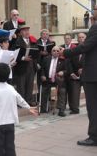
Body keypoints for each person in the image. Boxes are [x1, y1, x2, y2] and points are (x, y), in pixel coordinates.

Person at [63, 11, 97, 146]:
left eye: (95, 8)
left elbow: (86, 46)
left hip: (93, 74)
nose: (93, 11)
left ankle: (94, 137)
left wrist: (65, 52)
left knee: (93, 107)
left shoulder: (95, 27)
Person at [14, 26, 38, 105]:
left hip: (31, 66)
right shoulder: (17, 42)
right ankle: (21, 102)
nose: (27, 32)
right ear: (21, 33)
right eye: (25, 31)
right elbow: (14, 54)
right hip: (21, 66)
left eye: (28, 30)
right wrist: (23, 58)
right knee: (21, 85)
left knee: (30, 84)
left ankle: (29, 101)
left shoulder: (32, 41)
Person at [40, 46, 67, 116]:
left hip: (58, 80)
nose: (56, 52)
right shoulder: (46, 59)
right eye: (54, 51)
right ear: (51, 52)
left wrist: (63, 72)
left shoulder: (63, 60)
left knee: (62, 91)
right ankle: (43, 109)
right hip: (47, 80)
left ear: (59, 53)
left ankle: (61, 110)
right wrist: (42, 75)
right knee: (44, 91)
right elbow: (42, 69)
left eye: (57, 51)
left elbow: (67, 70)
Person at [66, 32, 86, 114]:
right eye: (79, 37)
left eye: (82, 37)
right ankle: (75, 109)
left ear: (86, 38)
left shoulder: (90, 49)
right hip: (75, 75)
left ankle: (92, 110)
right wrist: (71, 73)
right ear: (77, 39)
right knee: (74, 92)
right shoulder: (75, 49)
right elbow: (69, 62)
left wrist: (84, 69)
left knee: (90, 94)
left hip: (87, 75)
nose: (81, 39)